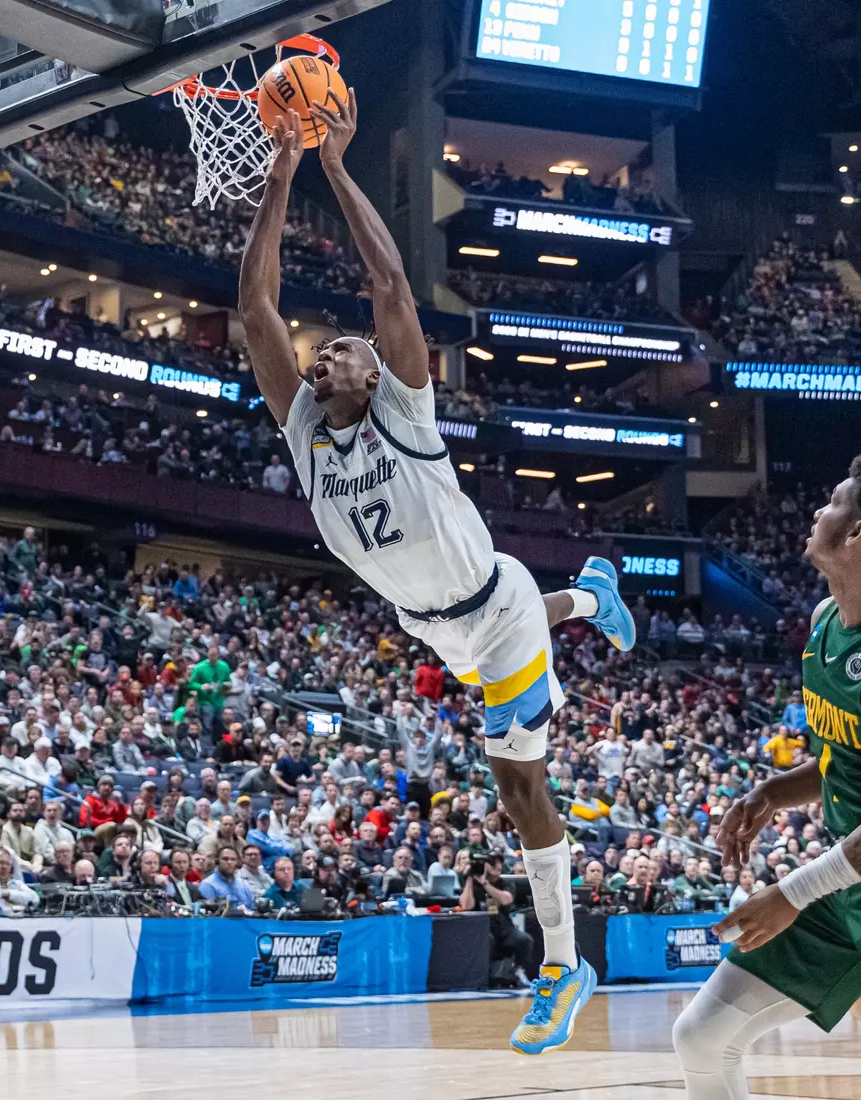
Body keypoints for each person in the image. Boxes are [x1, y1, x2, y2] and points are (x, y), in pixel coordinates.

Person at [240, 95, 635, 1055]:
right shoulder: (303, 431)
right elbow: (254, 308)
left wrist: (334, 164)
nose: (328, 350)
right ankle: (592, 594)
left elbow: (389, 290)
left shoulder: (404, 416)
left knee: (515, 786)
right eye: (321, 349)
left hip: (492, 616)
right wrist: (279, 172)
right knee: (496, 631)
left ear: (379, 379)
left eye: (347, 350)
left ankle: (560, 963)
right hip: (437, 622)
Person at [673, 456, 861, 1098]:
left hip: (832, 878)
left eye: (833, 501)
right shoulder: (823, 624)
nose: (817, 512)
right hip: (845, 884)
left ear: (858, 534)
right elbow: (843, 755)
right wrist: (773, 792)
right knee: (702, 1035)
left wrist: (791, 892)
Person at [460, 851, 532, 985]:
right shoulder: (473, 885)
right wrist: (470, 879)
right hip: (481, 929)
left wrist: (485, 884)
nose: (498, 866)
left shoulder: (504, 883)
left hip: (504, 930)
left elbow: (506, 899)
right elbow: (465, 905)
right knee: (488, 940)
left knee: (524, 940)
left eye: (499, 862)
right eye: (493, 863)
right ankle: (485, 977)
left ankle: (516, 971)